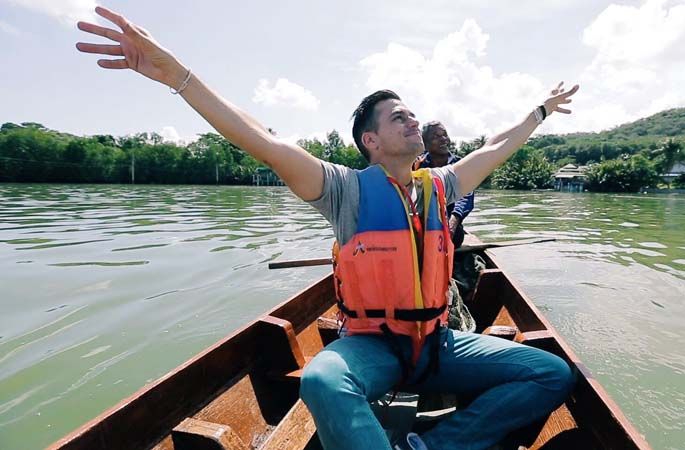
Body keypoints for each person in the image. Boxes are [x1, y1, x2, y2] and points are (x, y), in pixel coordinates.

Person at [76, 7, 579, 450]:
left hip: (438, 343)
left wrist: (538, 112)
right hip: (373, 347)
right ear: (371, 140)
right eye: (399, 117)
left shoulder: (441, 184)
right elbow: (263, 141)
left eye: (413, 115)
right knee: (321, 381)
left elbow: (493, 148)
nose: (414, 122)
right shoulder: (344, 189)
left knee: (550, 373)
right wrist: (177, 75)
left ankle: (435, 444)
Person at [413, 121, 473, 249]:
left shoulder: (459, 164)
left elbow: (466, 196)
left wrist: (452, 223)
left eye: (445, 134)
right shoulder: (418, 163)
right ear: (425, 143)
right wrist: (413, 170)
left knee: (455, 236)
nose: (443, 139)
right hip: (422, 225)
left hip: (450, 226)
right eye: (436, 136)